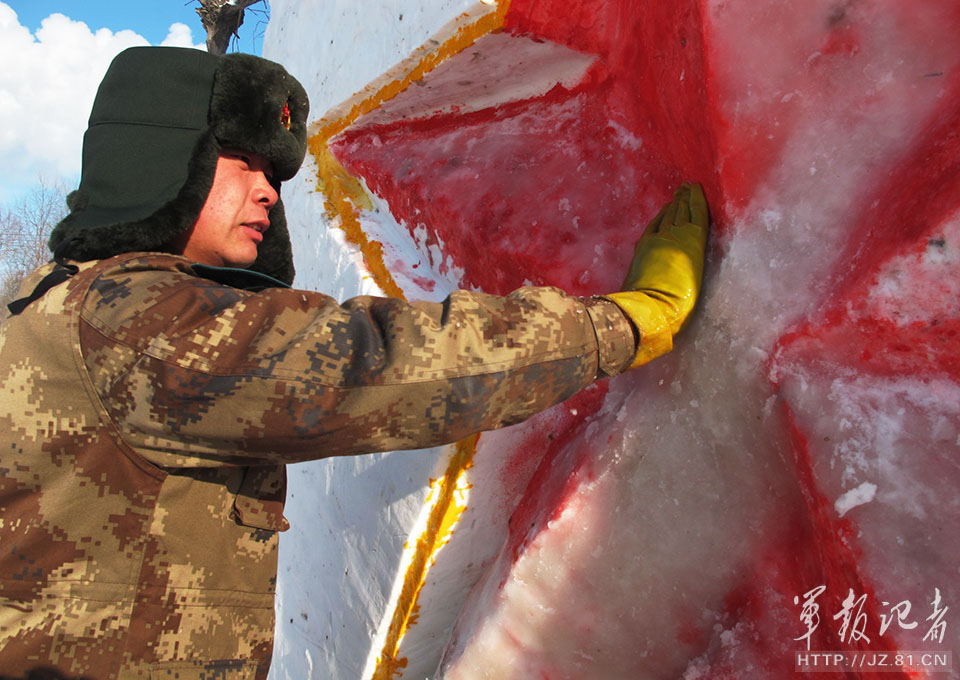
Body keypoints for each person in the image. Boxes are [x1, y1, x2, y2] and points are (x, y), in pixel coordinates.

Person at [0, 47, 708, 679]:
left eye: (273, 171)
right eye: (243, 162)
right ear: (162, 161)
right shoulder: (128, 321)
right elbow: (376, 367)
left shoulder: (62, 304)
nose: (269, 191)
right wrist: (619, 321)